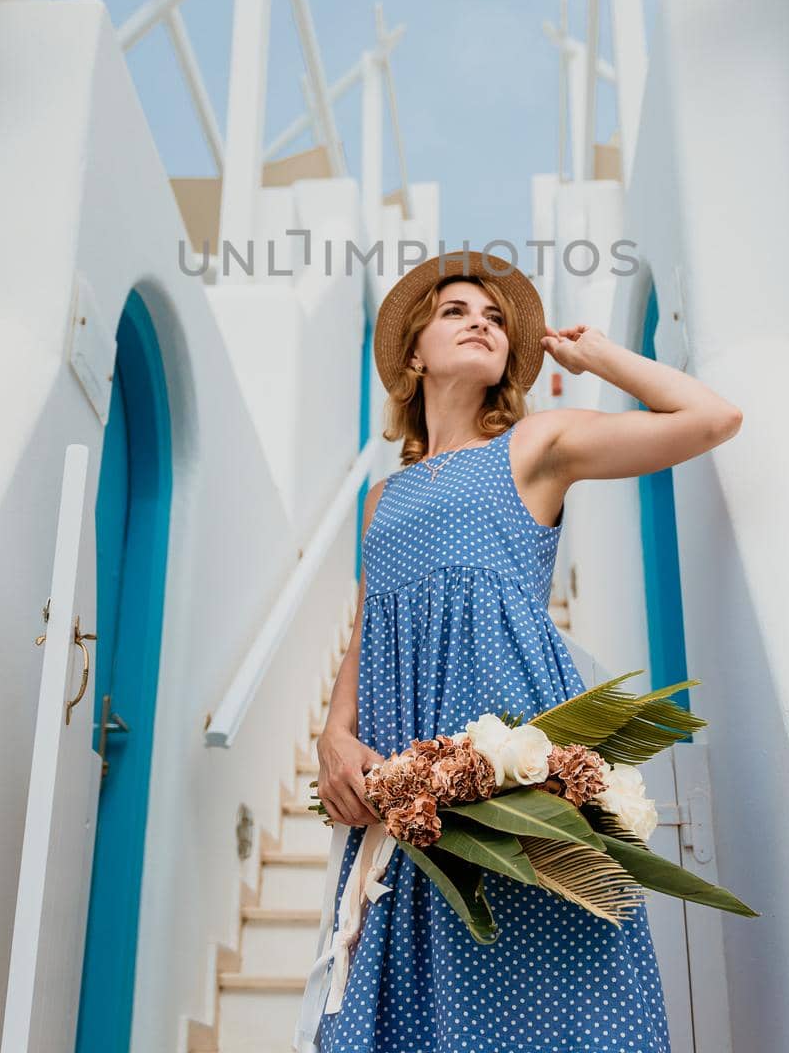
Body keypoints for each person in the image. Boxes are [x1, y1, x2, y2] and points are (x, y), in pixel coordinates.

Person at [304, 249, 743, 1052]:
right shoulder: (381, 497)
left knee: (550, 986)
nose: (481, 322)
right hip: (411, 781)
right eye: (457, 312)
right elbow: (370, 627)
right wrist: (335, 733)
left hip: (516, 773)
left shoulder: (536, 446)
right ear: (413, 355)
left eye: (497, 320)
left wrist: (595, 355)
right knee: (423, 998)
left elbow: (710, 420)